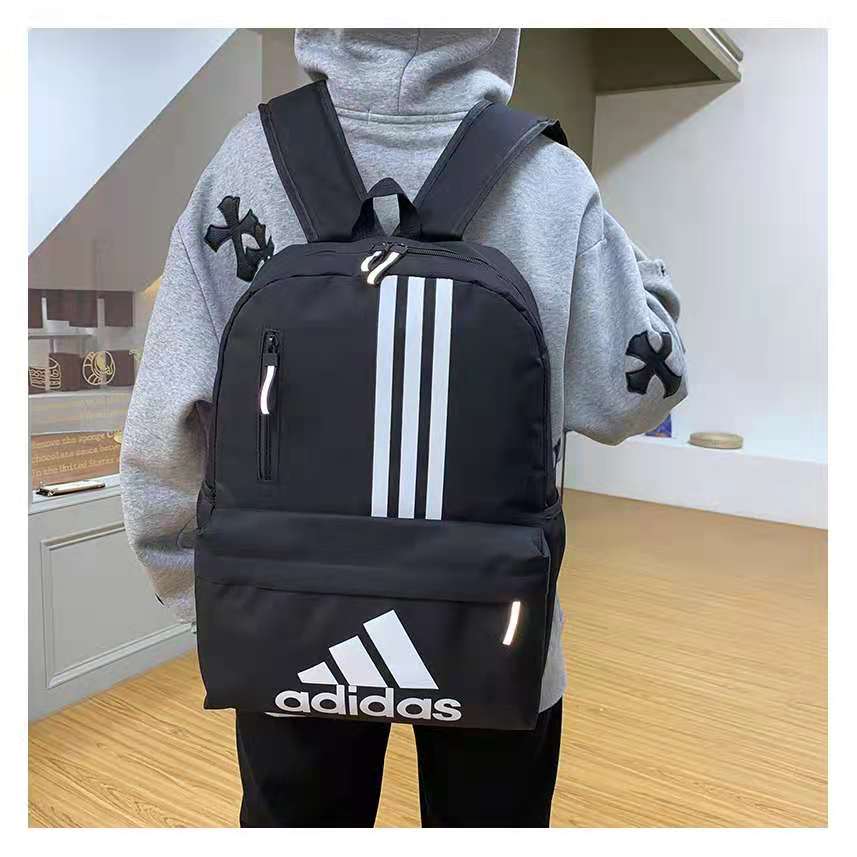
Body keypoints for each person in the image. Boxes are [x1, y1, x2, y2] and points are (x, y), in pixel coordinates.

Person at [121, 28, 687, 828]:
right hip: (495, 619)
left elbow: (162, 429)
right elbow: (637, 393)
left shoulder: (247, 161)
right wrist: (644, 274)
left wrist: (214, 594)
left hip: (286, 613)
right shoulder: (548, 177)